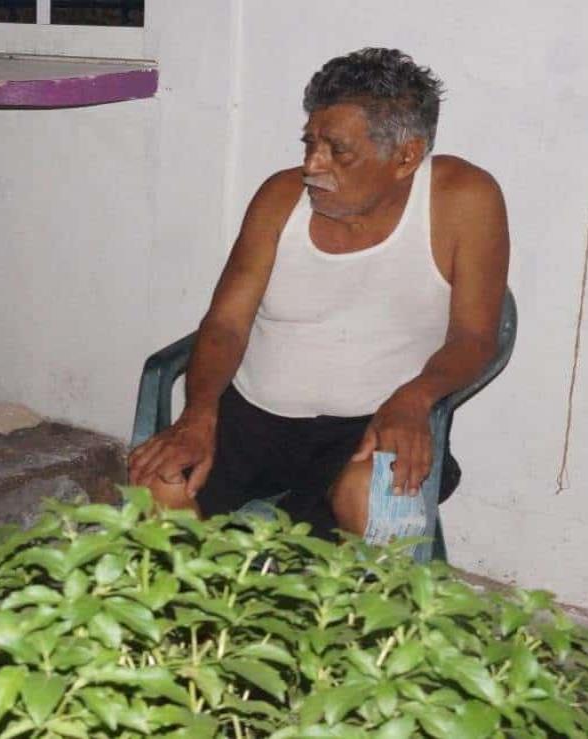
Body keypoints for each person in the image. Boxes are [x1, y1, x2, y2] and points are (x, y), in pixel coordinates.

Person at [128, 48, 509, 539]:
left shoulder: (464, 200)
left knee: (380, 498)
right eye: (310, 143)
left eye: (337, 150)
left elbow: (475, 336)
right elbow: (225, 323)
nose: (312, 164)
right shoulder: (279, 198)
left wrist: (416, 398)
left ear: (405, 156)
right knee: (161, 483)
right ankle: (196, 610)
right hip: (254, 417)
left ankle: (363, 613)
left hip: (373, 425)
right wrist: (199, 413)